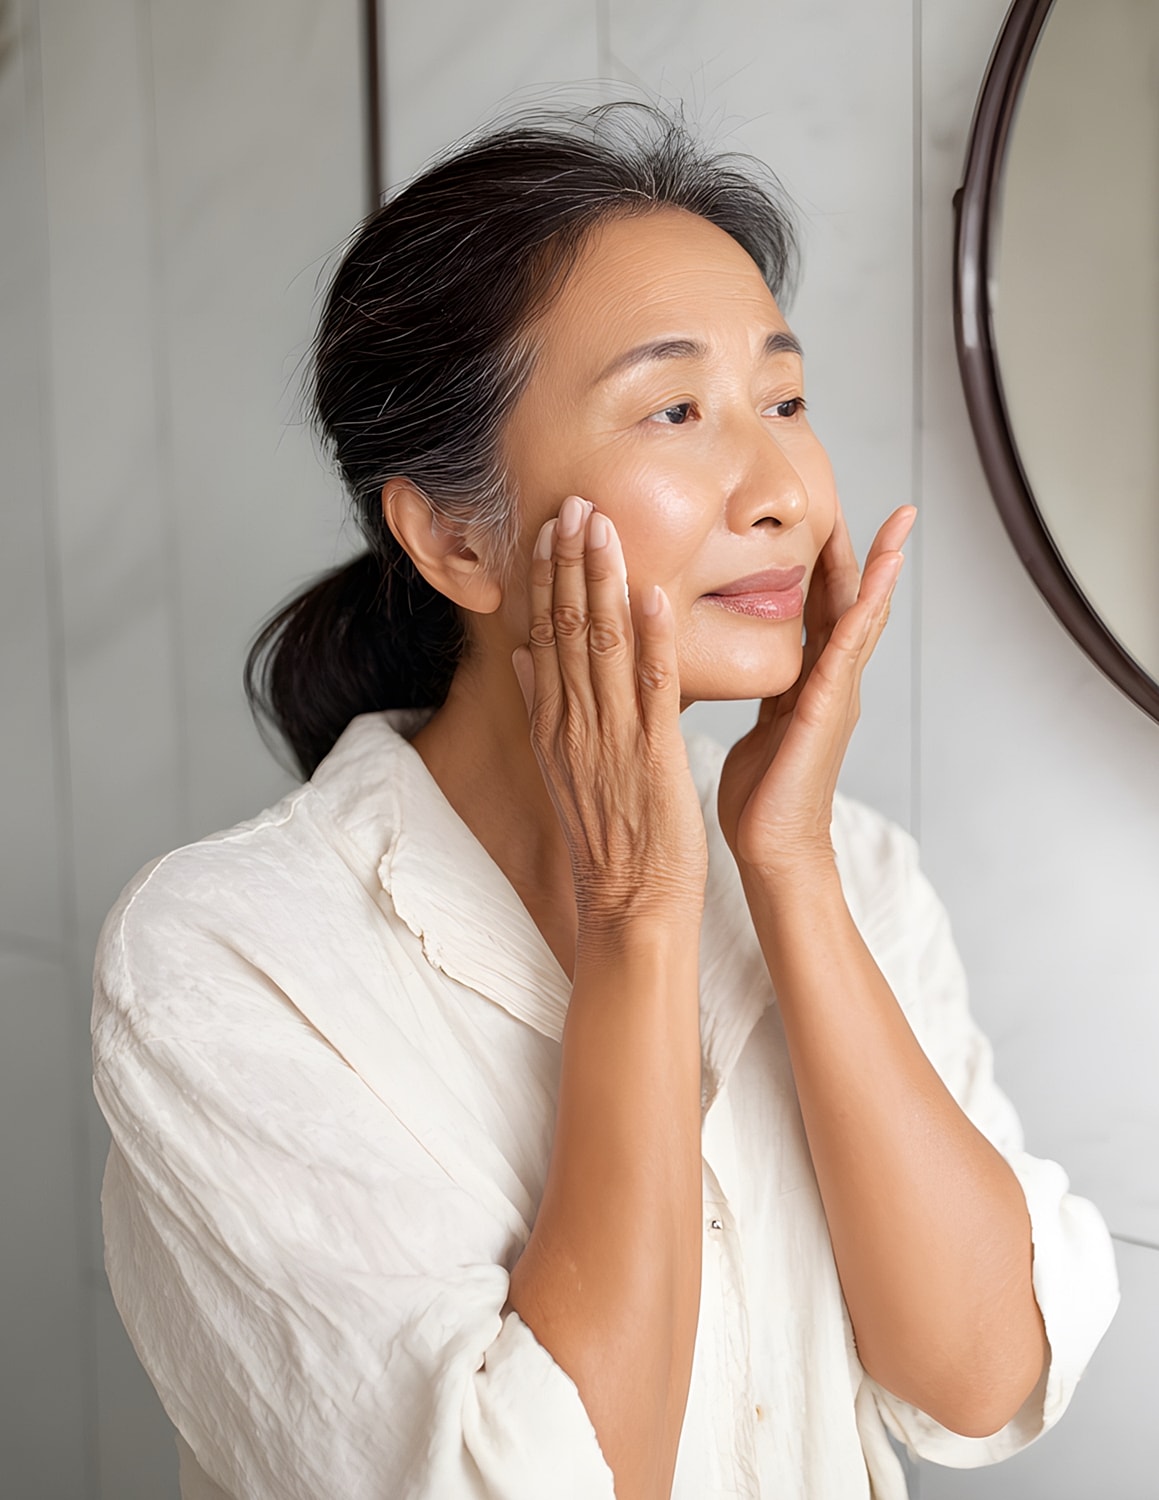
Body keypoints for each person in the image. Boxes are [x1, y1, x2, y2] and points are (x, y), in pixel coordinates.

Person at [92, 104, 1118, 1500]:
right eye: (677, 411)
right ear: (457, 537)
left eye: (786, 401)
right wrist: (639, 914)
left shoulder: (854, 873)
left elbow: (983, 1379)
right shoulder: (227, 962)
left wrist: (789, 870)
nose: (783, 491)